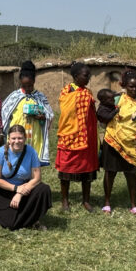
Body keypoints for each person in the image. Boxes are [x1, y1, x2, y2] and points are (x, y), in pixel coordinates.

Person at [100, 70, 136, 214]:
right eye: (131, 86)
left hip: (133, 143)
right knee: (110, 173)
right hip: (113, 141)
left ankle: (134, 204)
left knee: (131, 174)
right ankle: (107, 202)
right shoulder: (116, 99)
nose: (134, 89)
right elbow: (103, 114)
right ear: (124, 86)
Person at [55, 63, 99, 212]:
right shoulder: (66, 92)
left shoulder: (88, 92)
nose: (88, 79)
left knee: (87, 170)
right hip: (70, 136)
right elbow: (66, 112)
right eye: (85, 76)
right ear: (75, 77)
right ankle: (65, 201)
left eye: (89, 76)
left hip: (86, 137)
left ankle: (86, 201)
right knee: (66, 170)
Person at [0, 124, 52, 230]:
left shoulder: (31, 151)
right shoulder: (1, 152)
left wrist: (20, 193)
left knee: (44, 189)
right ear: (9, 139)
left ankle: (33, 219)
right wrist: (15, 188)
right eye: (13, 138)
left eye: (20, 138)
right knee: (9, 224)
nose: (17, 141)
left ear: (25, 138)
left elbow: (37, 178)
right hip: (5, 189)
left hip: (25, 188)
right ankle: (24, 218)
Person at [1, 61, 54, 166]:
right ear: (20, 81)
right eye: (25, 86)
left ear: (34, 81)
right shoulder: (14, 96)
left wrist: (42, 117)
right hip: (16, 134)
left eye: (30, 85)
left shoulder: (40, 97)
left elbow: (50, 115)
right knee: (15, 160)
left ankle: (31, 180)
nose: (28, 88)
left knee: (32, 162)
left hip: (34, 134)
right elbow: (4, 113)